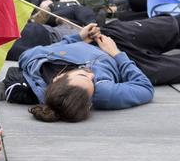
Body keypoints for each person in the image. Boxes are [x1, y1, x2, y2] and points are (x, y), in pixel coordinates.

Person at [17, 23, 154, 122]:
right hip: (126, 55)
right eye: (92, 82)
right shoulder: (103, 93)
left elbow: (27, 55)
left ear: (59, 77)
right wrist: (116, 53)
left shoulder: (33, 62)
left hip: (98, 37)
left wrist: (78, 37)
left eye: (82, 75)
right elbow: (145, 87)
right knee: (165, 28)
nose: (92, 75)